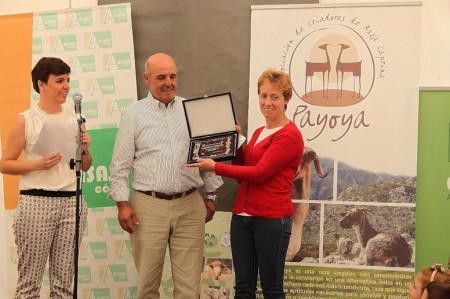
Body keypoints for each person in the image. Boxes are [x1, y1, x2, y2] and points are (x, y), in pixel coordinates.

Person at [108, 52, 223, 298]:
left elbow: (208, 155)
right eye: (161, 77)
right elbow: (119, 166)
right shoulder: (133, 114)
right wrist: (122, 204)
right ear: (147, 78)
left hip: (191, 205)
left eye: (172, 76)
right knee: (148, 286)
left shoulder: (193, 110)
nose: (168, 82)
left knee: (189, 288)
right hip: (147, 206)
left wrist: (211, 194)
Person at [187, 69, 304, 298]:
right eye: (263, 96)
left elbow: (259, 173)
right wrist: (235, 142)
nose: (267, 102)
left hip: (271, 221)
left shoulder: (289, 135)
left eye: (274, 97)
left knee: (272, 289)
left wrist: (215, 166)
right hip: (242, 218)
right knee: (242, 288)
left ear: (287, 100)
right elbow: (243, 174)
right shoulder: (261, 131)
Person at [0, 57, 92, 298]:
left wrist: (84, 149)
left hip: (72, 202)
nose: (66, 87)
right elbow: (5, 164)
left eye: (67, 81)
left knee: (64, 284)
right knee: (29, 283)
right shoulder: (26, 119)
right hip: (36, 203)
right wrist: (37, 165)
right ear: (42, 84)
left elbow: (87, 166)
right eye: (59, 81)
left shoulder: (75, 118)